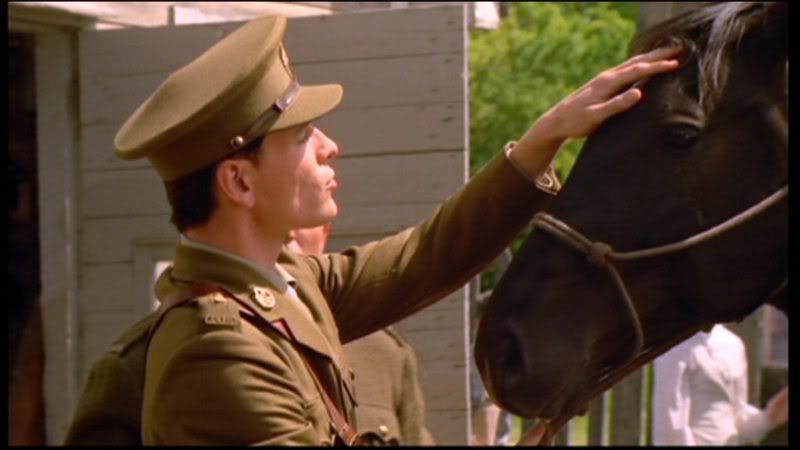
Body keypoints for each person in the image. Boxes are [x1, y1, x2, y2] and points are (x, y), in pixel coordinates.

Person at [106, 13, 681, 445]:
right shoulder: (218, 351)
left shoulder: (285, 285)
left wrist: (546, 137)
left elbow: (425, 256)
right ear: (239, 181)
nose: (330, 147)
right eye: (303, 137)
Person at [65, 224, 433, 446]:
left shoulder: (382, 355)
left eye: (294, 228)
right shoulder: (139, 364)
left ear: (324, 233)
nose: (285, 243)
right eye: (269, 232)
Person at [287, 224, 435, 445]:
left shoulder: (383, 353)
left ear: (324, 232)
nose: (289, 232)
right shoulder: (235, 339)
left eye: (302, 220)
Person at [652, 323, 789, 445]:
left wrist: (769, 417)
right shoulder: (676, 345)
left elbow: (738, 421)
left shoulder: (733, 344)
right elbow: (669, 428)